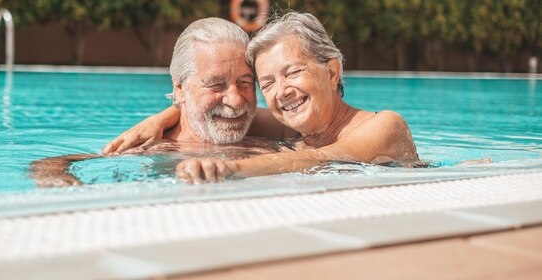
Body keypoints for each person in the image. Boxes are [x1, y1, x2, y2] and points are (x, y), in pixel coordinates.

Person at [108, 12, 423, 183]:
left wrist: (230, 170)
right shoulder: (292, 131)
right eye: (267, 82)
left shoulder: (385, 125)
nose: (281, 92)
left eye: (292, 72)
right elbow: (217, 113)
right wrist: (160, 118)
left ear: (331, 72)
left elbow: (326, 158)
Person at [31, 17, 282, 187]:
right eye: (216, 84)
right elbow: (57, 162)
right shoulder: (156, 147)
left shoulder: (268, 131)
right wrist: (55, 179)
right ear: (180, 89)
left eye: (245, 83)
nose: (236, 100)